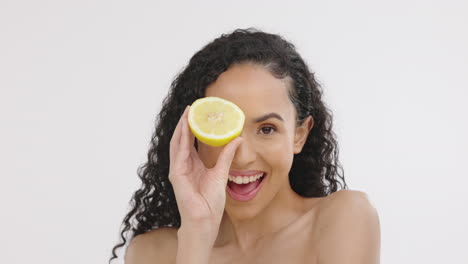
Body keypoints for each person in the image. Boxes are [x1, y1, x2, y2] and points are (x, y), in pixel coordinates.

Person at [109, 27, 380, 264]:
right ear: (192, 136)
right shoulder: (152, 252)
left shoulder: (343, 219)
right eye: (223, 131)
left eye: (266, 129)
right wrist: (197, 234)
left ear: (299, 135)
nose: (242, 157)